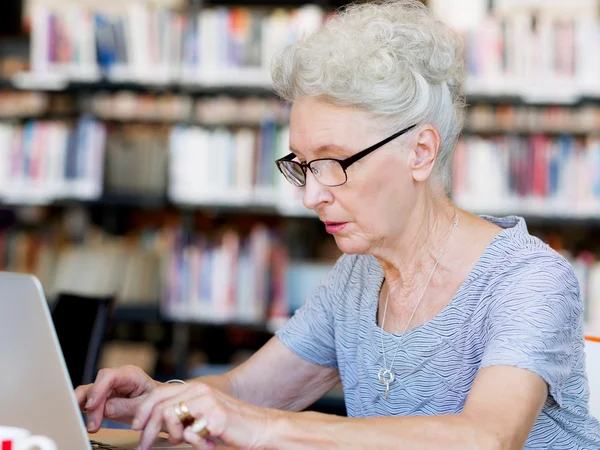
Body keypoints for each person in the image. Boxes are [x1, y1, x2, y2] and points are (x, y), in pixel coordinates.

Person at [76, 1, 600, 448]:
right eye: (302, 164)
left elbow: (488, 438)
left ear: (420, 152)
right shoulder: (359, 275)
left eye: (334, 163)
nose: (310, 194)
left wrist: (265, 428)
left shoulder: (529, 279)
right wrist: (162, 401)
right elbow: (244, 394)